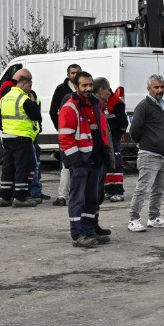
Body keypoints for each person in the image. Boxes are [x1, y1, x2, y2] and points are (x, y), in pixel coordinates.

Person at [58, 71, 112, 248]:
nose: (88, 88)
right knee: (78, 199)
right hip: (81, 161)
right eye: (84, 85)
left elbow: (101, 131)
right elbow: (65, 137)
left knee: (92, 198)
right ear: (76, 87)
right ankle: (77, 234)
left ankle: (90, 230)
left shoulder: (95, 104)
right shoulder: (70, 107)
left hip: (95, 159)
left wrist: (104, 155)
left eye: (90, 85)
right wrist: (77, 160)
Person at [127, 74, 164, 232]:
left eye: (162, 86)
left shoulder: (161, 105)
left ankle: (154, 217)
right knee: (142, 189)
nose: (160, 90)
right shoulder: (144, 106)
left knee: (159, 190)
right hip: (149, 155)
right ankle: (133, 219)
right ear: (149, 89)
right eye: (156, 87)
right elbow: (134, 130)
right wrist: (144, 142)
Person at [0, 72, 42, 208]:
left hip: (7, 136)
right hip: (22, 137)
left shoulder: (5, 98)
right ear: (22, 84)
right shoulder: (23, 98)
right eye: (29, 85)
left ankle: (5, 196)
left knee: (8, 167)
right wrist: (33, 102)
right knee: (23, 167)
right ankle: (21, 197)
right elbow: (36, 116)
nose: (30, 88)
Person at [50, 63, 81, 207]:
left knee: (80, 164)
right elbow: (52, 110)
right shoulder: (61, 90)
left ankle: (77, 193)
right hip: (67, 133)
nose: (75, 75)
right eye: (72, 73)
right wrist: (60, 128)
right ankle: (62, 195)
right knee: (66, 165)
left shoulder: (84, 88)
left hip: (82, 133)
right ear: (68, 75)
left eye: (77, 72)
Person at [96, 79, 128, 202]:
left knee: (117, 163)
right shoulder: (101, 102)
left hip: (113, 138)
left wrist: (118, 133)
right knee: (107, 164)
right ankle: (109, 189)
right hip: (105, 138)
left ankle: (118, 191)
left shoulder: (116, 103)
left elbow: (123, 123)